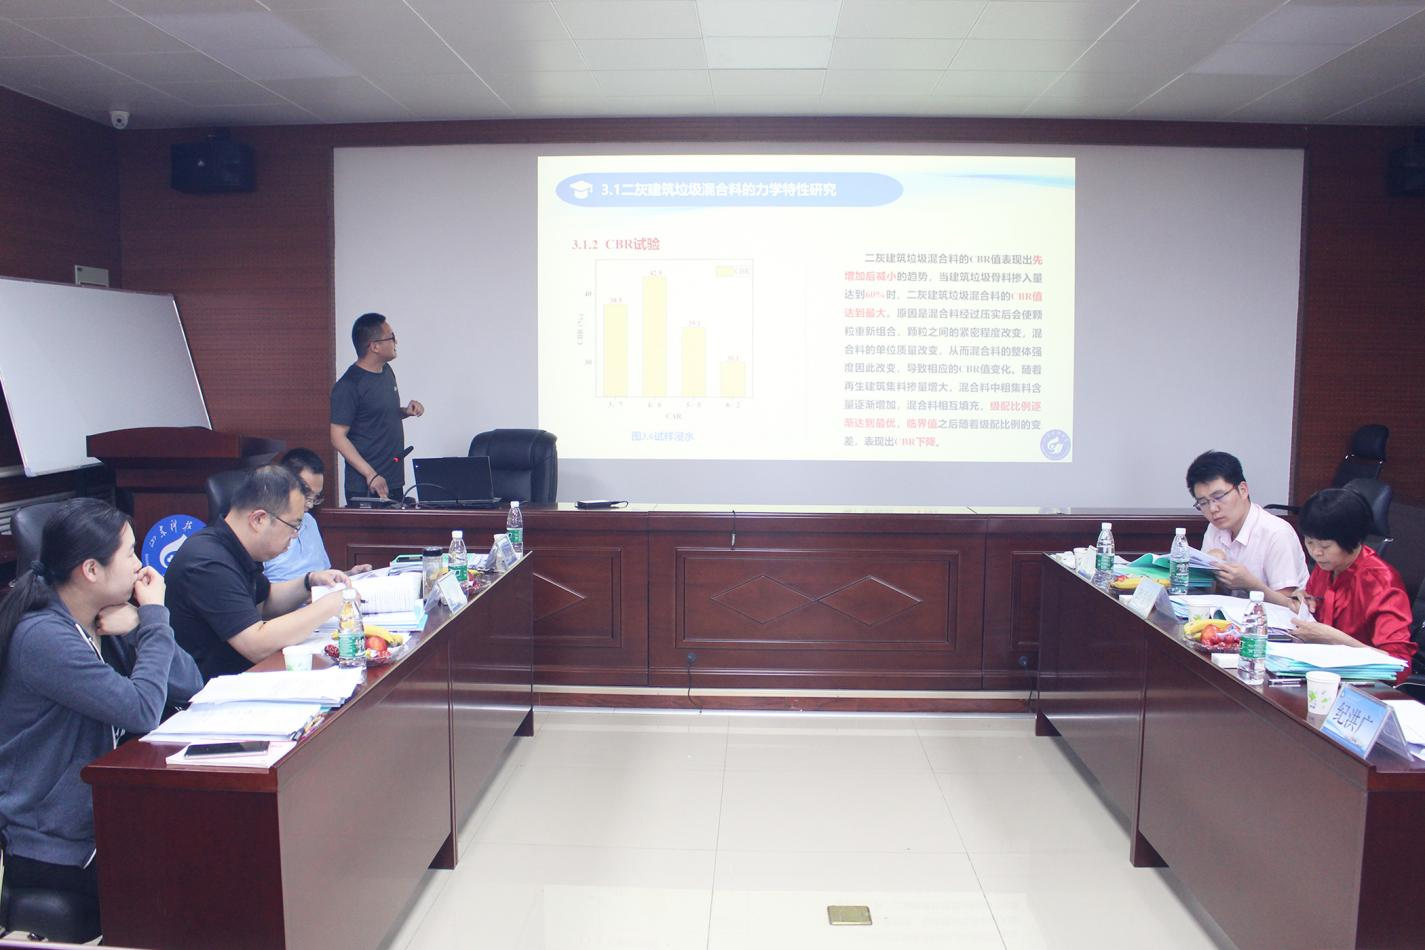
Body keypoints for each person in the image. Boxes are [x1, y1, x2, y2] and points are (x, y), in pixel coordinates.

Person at [0, 499, 201, 921]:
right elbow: (142, 710)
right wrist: (154, 615)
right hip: (55, 843)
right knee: (194, 879)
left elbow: (189, 683)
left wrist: (140, 625)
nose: (139, 565)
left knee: (214, 847)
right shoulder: (44, 636)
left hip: (108, 811)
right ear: (91, 570)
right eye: (129, 554)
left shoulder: (103, 617)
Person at [165, 465, 349, 680]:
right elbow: (256, 645)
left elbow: (263, 602)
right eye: (293, 526)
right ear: (259, 519)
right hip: (212, 689)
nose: (295, 536)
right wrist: (327, 606)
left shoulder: (234, 547)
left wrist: (308, 583)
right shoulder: (207, 562)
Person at [1290, 487, 1416, 682]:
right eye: (1309, 542)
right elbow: (1314, 609)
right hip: (1321, 673)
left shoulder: (1381, 582)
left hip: (1364, 685)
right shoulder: (1326, 566)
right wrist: (1303, 600)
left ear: (1352, 540)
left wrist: (1336, 640)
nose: (1316, 553)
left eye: (1325, 546)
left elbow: (1399, 665)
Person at [1186, 450, 1308, 609]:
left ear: (1243, 490)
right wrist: (1210, 574)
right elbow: (1210, 593)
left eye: (1219, 497)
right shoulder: (1214, 528)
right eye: (1203, 502)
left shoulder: (1277, 533)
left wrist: (1251, 585)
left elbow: (1289, 606)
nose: (1213, 508)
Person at [330, 312, 424, 503]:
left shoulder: (387, 371)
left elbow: (375, 414)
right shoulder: (349, 385)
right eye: (391, 337)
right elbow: (337, 437)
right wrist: (370, 474)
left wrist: (405, 411)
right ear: (374, 346)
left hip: (392, 479)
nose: (396, 342)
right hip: (366, 485)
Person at [262, 448, 372, 583]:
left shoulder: (309, 521)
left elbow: (321, 575)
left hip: (320, 593)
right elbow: (261, 592)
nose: (310, 504)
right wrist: (305, 589)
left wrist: (349, 575)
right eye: (306, 493)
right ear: (284, 483)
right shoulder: (265, 526)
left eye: (315, 497)